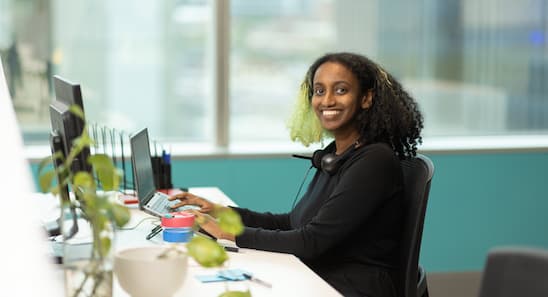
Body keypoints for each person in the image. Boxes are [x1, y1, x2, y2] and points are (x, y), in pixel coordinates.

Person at [169, 52, 423, 297]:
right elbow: (292, 222)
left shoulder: (374, 160)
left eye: (341, 90)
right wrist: (221, 213)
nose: (327, 100)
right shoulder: (335, 155)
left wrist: (226, 233)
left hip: (351, 287)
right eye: (319, 91)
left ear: (366, 98)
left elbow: (311, 241)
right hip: (320, 274)